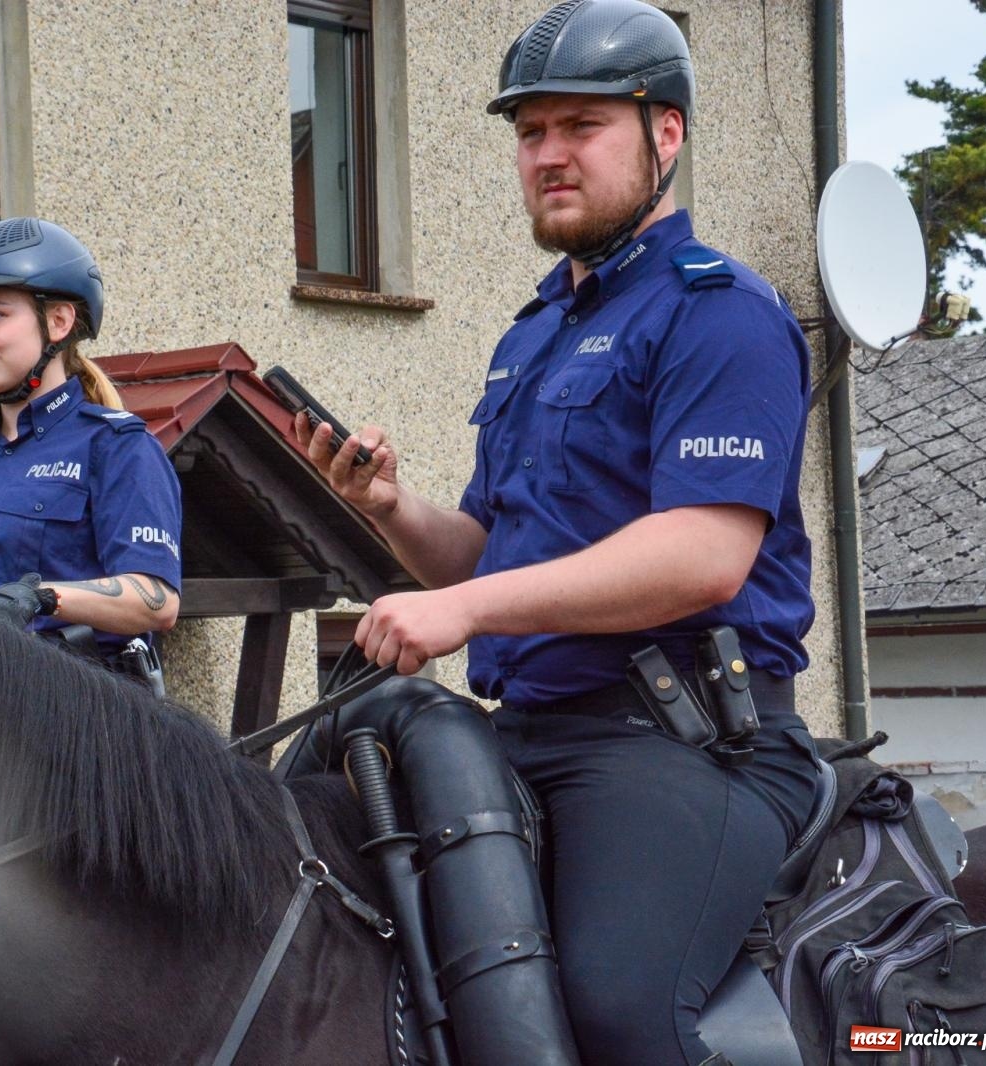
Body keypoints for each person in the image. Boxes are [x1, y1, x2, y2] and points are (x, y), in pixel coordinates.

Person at [296, 2, 821, 1063]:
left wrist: (462, 608)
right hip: (525, 730)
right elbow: (491, 555)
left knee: (616, 1008)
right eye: (530, 133)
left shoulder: (720, 313)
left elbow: (700, 554)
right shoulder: (532, 336)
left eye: (581, 126)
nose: (547, 155)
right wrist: (387, 507)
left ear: (663, 133)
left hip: (687, 746)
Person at [0, 217, 182, 670]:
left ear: (57, 321)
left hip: (76, 721)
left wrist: (39, 598)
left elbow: (156, 600)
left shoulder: (116, 448)